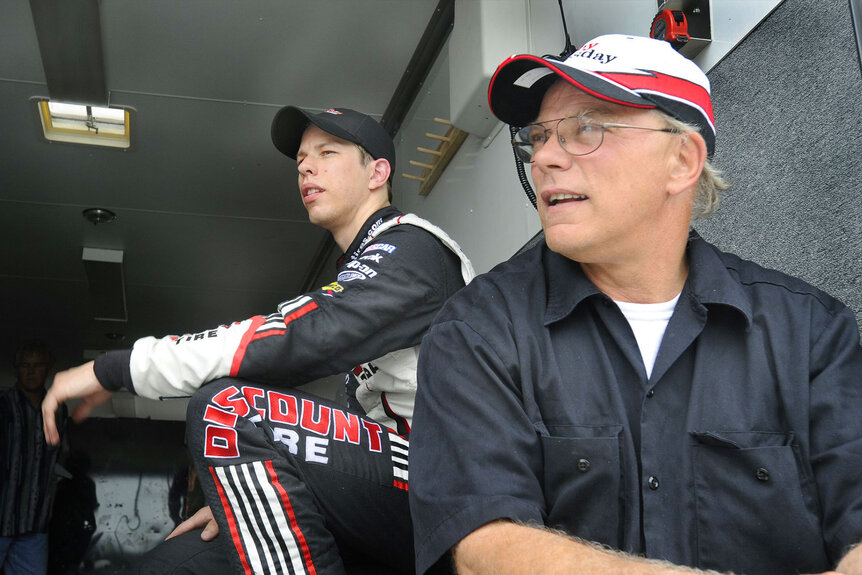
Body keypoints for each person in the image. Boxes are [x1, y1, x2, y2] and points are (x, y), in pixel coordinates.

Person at [409, 34, 862, 575]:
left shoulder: (811, 331)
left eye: (588, 128)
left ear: (681, 160)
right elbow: (484, 546)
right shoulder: (478, 329)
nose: (545, 158)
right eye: (539, 137)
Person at [42, 107, 474, 574]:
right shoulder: (367, 265)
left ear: (378, 172)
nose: (306, 167)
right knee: (175, 563)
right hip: (385, 489)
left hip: (447, 488)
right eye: (301, 160)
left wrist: (115, 368)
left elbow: (298, 336)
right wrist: (246, 496)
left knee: (227, 408)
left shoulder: (412, 248)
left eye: (327, 153)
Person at [1, 340, 68, 575]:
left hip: (34, 521)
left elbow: (61, 457)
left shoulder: (59, 410)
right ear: (16, 368)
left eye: (37, 365)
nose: (30, 371)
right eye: (24, 365)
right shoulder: (3, 405)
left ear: (48, 369)